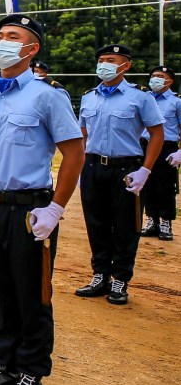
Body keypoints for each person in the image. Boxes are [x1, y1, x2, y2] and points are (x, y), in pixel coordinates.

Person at [0, 14, 85, 385]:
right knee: (1, 291)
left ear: (31, 49)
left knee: (33, 295)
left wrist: (55, 209)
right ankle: (5, 368)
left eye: (12, 36)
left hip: (31, 212)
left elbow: (74, 154)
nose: (2, 42)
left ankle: (31, 377)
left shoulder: (48, 96)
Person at [75, 44, 164, 305]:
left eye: (111, 60)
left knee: (126, 226)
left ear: (125, 65)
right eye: (101, 60)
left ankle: (120, 279)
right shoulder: (89, 97)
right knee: (96, 223)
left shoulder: (140, 97)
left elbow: (157, 133)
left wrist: (145, 169)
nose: (104, 64)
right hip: (93, 166)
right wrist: (81, 167)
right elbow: (83, 135)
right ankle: (100, 274)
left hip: (126, 170)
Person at [140, 66, 181, 241]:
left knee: (165, 186)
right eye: (153, 76)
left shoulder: (176, 102)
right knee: (146, 183)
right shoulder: (145, 99)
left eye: (160, 76)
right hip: (145, 145)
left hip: (167, 148)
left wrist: (180, 152)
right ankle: (152, 220)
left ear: (170, 81)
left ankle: (166, 222)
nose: (155, 79)